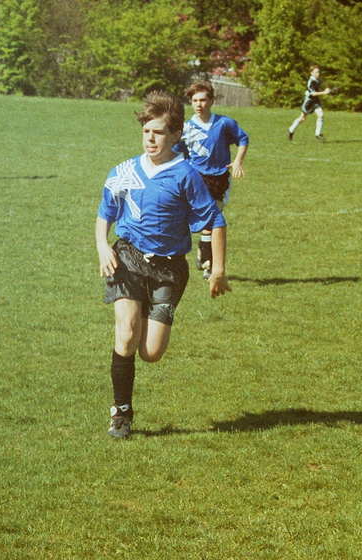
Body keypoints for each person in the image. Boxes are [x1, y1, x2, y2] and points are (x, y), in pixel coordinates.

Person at [96, 90, 231, 439]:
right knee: (126, 333)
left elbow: (215, 221)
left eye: (158, 132)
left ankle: (142, 309)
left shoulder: (186, 175)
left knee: (151, 352)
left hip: (169, 270)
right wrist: (101, 246)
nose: (151, 139)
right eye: (146, 132)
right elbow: (105, 211)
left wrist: (217, 270)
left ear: (175, 135)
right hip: (127, 258)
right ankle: (121, 413)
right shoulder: (125, 170)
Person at [181, 81, 248, 279]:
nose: (199, 104)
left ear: (211, 101)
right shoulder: (186, 128)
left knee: (212, 218)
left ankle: (206, 260)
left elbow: (243, 139)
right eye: (195, 100)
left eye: (203, 100)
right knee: (199, 218)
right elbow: (179, 152)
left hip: (219, 177)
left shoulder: (224, 123)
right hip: (196, 177)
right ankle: (204, 259)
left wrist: (238, 161)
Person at [287, 66, 332, 141]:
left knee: (321, 115)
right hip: (309, 102)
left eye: (318, 72)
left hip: (315, 101)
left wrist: (327, 88)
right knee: (302, 118)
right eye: (316, 72)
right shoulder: (311, 82)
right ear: (311, 73)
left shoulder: (318, 80)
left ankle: (317, 134)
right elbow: (313, 94)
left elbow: (323, 85)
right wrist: (324, 92)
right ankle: (291, 130)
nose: (318, 73)